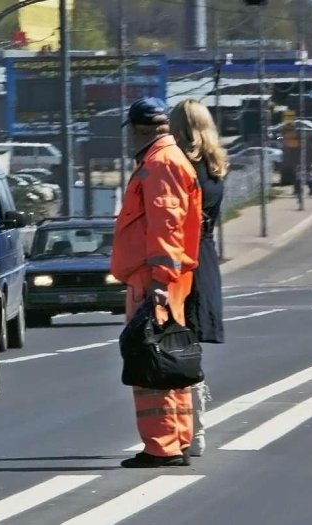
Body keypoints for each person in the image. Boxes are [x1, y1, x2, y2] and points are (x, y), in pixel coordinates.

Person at [111, 97, 202, 468]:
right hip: (162, 275)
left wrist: (159, 281)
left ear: (136, 129)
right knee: (167, 353)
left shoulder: (160, 164)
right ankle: (176, 439)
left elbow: (166, 223)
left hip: (154, 277)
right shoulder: (167, 159)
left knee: (150, 356)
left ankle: (162, 445)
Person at [169, 99, 227, 458]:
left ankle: (186, 429)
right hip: (206, 257)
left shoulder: (178, 167)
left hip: (181, 257)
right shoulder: (216, 167)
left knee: (173, 346)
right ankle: (197, 429)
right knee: (192, 347)